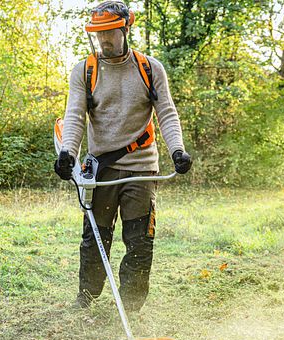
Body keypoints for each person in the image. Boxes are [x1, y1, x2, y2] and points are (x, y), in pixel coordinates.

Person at [54, 1, 192, 312]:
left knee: (140, 241)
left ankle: (131, 306)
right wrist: (67, 153)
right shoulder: (85, 70)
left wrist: (177, 150)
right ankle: (86, 297)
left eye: (109, 33)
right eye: (98, 33)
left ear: (125, 29)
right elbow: (74, 116)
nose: (103, 40)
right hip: (100, 168)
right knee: (95, 238)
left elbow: (167, 114)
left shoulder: (150, 69)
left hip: (141, 167)